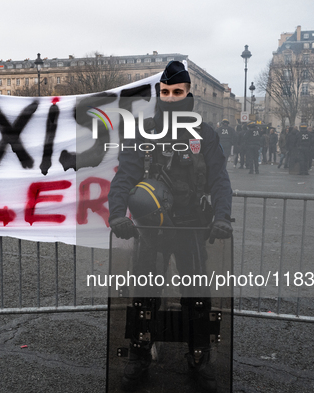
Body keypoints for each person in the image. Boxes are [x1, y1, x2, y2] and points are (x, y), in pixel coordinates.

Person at [108, 61, 233, 392]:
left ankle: (199, 355)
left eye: (178, 92)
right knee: (143, 295)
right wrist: (117, 213)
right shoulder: (143, 131)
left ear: (188, 93)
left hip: (192, 228)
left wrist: (222, 216)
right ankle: (139, 353)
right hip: (151, 229)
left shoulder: (205, 134)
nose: (171, 97)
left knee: (197, 296)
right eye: (165, 92)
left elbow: (220, 179)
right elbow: (124, 177)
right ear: (158, 93)